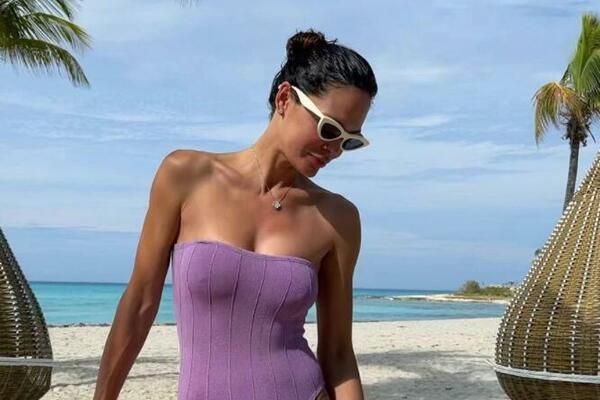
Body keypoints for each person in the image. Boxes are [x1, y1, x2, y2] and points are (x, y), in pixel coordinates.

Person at [93, 28, 378, 400]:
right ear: (285, 99)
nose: (335, 149)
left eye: (349, 140)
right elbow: (140, 305)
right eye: (329, 129)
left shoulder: (338, 218)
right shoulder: (186, 176)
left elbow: (338, 354)